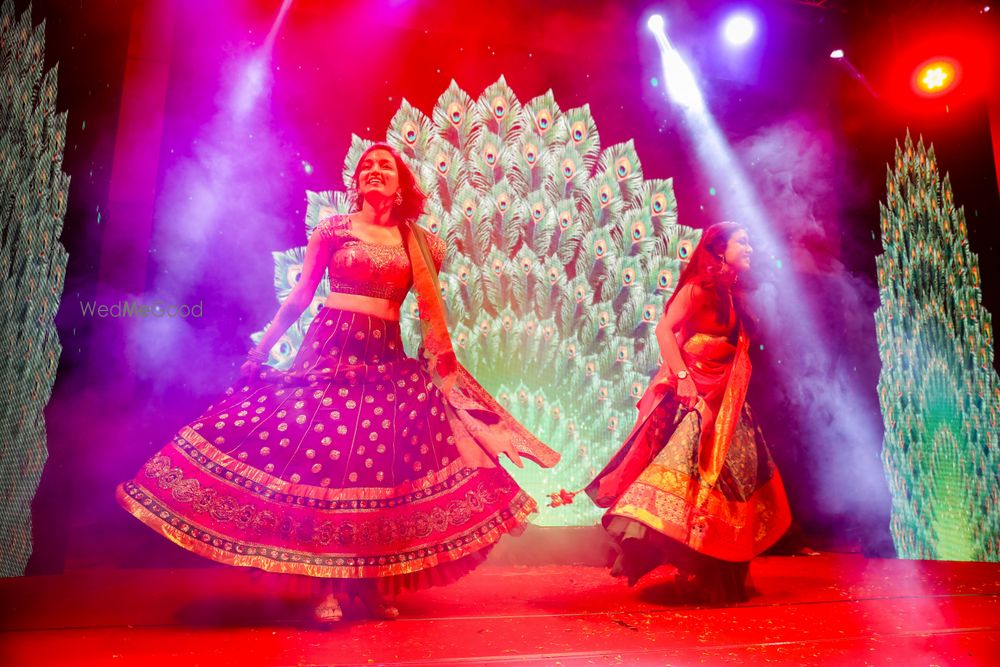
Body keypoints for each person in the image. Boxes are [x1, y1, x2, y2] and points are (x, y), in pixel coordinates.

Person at [116, 143, 559, 623]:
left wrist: (446, 376)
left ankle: (370, 586)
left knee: (381, 473)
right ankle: (324, 587)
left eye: (384, 166)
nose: (373, 171)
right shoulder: (334, 230)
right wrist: (262, 349)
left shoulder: (424, 244)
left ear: (401, 184)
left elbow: (430, 313)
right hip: (328, 356)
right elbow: (301, 295)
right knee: (324, 465)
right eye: (366, 166)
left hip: (384, 362)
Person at [583, 222, 790, 603]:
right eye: (743, 241)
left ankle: (716, 572)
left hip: (726, 401)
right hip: (694, 399)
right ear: (718, 249)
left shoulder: (734, 295)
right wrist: (684, 381)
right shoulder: (697, 289)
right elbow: (665, 330)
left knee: (726, 485)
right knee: (689, 480)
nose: (751, 247)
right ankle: (689, 565)